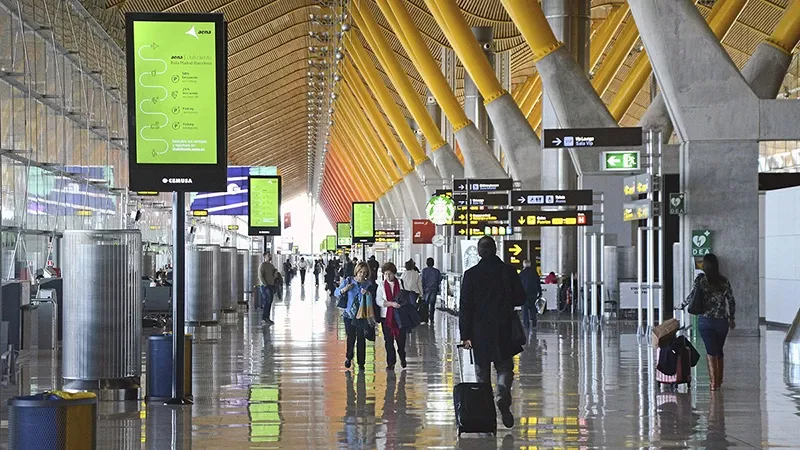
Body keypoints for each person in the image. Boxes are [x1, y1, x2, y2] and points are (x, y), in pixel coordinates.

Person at [460, 236, 525, 429]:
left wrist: (465, 336)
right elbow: (521, 297)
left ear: (479, 252)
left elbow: (465, 308)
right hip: (504, 328)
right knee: (504, 367)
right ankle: (502, 394)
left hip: (479, 331)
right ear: (496, 250)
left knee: (482, 374)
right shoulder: (508, 271)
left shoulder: (471, 274)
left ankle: (487, 413)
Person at [681, 253, 735, 391]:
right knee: (719, 350)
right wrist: (732, 317)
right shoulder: (724, 281)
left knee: (711, 350)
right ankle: (719, 380)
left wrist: (682, 304)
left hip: (705, 321)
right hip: (721, 322)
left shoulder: (701, 280)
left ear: (705, 266)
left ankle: (713, 383)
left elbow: (692, 296)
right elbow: (731, 301)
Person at [335, 262, 374, 371]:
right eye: (360, 272)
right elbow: (336, 292)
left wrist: (367, 293)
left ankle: (361, 362)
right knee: (351, 337)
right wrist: (345, 289)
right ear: (357, 271)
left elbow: (372, 298)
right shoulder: (348, 281)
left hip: (362, 315)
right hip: (349, 315)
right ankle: (349, 356)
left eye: (365, 273)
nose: (362, 275)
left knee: (361, 339)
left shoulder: (368, 284)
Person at [376, 262, 408, 370]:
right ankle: (391, 362)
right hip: (386, 317)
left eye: (389, 274)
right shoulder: (381, 285)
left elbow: (405, 297)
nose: (387, 276)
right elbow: (379, 301)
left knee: (401, 340)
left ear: (394, 273)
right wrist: (391, 304)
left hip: (400, 316)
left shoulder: (400, 283)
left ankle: (402, 355)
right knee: (388, 341)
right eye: (385, 274)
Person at [519, 260, 542, 329]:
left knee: (524, 310)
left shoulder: (521, 273)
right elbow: (538, 283)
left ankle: (526, 324)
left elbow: (518, 284)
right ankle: (534, 323)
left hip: (524, 294)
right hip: (533, 294)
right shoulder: (534, 273)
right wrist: (540, 292)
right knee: (532, 308)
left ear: (524, 265)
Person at [258, 253, 278, 325]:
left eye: (270, 255)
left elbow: (273, 276)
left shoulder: (271, 266)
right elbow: (260, 276)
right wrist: (265, 284)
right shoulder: (262, 265)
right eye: (268, 255)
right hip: (265, 286)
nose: (270, 256)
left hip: (271, 285)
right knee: (267, 301)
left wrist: (275, 274)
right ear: (264, 257)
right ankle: (264, 318)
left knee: (269, 301)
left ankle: (267, 317)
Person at [421, 258, 441, 325]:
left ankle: (426, 318)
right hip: (434, 289)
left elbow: (422, 280)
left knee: (426, 304)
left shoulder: (424, 271)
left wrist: (422, 289)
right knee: (432, 304)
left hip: (426, 290)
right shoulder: (437, 271)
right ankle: (431, 318)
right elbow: (439, 280)